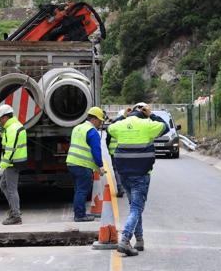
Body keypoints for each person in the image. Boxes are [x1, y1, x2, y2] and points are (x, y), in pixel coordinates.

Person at [108, 103, 167, 256]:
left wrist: (123, 116)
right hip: (141, 174)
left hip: (124, 174)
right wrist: (151, 114)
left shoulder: (121, 124)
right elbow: (165, 127)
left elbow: (110, 128)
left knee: (134, 206)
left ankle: (139, 240)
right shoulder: (148, 124)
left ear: (131, 113)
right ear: (143, 113)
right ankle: (125, 240)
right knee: (136, 208)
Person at [66, 106, 106, 222]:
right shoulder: (92, 132)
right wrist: (101, 166)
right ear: (94, 119)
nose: (100, 124)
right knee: (82, 190)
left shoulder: (77, 128)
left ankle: (79, 212)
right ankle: (80, 215)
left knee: (78, 189)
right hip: (82, 165)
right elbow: (96, 151)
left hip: (71, 163)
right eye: (99, 121)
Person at [0, 104, 27, 225]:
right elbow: (6, 145)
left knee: (11, 189)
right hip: (12, 162)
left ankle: (16, 216)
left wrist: (2, 166)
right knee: (3, 185)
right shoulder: (10, 127)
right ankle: (15, 209)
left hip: (13, 163)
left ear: (6, 117)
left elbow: (10, 149)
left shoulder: (13, 128)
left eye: (0, 118)